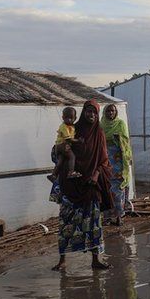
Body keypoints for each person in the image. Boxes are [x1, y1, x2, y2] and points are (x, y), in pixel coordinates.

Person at [52, 100, 114, 271]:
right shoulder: (73, 128)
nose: (91, 115)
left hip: (90, 186)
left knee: (93, 224)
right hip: (71, 184)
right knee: (66, 222)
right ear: (83, 113)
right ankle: (62, 260)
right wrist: (60, 150)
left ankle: (95, 260)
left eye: (94, 112)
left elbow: (104, 161)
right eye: (88, 111)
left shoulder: (99, 133)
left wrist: (96, 174)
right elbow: (58, 149)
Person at [102, 103, 133, 226]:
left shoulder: (120, 124)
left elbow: (125, 141)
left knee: (119, 189)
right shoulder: (101, 125)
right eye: (108, 111)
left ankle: (119, 216)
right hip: (106, 161)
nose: (111, 113)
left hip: (119, 160)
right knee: (107, 189)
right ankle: (108, 217)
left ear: (116, 112)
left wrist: (117, 138)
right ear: (105, 113)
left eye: (113, 111)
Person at [48, 107, 81, 203]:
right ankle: (71, 172)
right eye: (66, 118)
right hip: (63, 146)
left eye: (71, 118)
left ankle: (53, 174)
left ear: (75, 118)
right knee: (72, 157)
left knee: (60, 161)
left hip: (60, 147)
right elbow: (69, 140)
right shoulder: (64, 127)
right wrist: (78, 141)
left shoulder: (72, 126)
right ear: (62, 117)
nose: (69, 120)